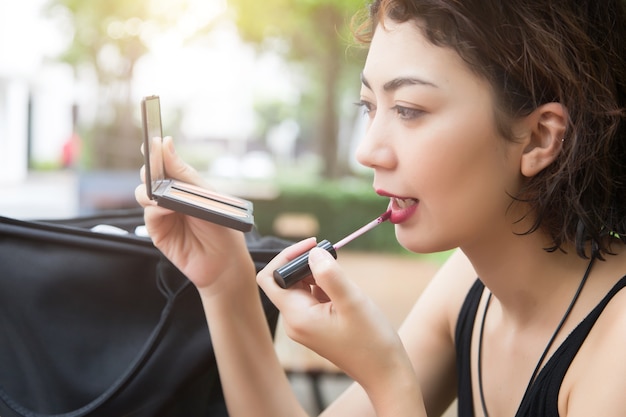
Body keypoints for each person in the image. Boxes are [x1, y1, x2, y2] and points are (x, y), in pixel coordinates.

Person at [135, 0, 626, 415]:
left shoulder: (617, 349)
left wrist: (388, 377)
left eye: (409, 110)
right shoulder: (469, 285)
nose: (366, 151)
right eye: (369, 107)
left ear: (539, 137)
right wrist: (226, 282)